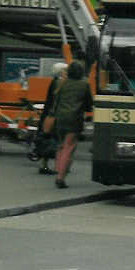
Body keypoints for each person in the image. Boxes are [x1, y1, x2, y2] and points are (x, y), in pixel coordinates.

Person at [52, 60, 93, 188]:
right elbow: (88, 105)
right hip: (74, 119)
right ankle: (61, 177)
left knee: (60, 145)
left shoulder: (62, 83)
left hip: (60, 118)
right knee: (68, 147)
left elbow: (56, 100)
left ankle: (57, 170)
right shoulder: (84, 85)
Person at [36, 62, 67, 175]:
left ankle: (45, 165)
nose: (67, 72)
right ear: (61, 72)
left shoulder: (55, 82)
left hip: (49, 114)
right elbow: (56, 100)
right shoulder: (58, 83)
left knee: (49, 138)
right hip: (53, 115)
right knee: (52, 139)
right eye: (65, 70)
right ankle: (52, 166)